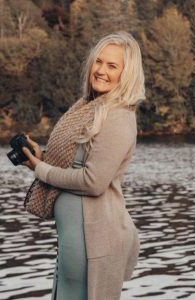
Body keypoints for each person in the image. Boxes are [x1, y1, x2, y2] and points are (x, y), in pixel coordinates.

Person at [21, 31, 145, 300]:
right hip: (75, 235)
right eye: (98, 62)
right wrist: (40, 159)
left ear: (127, 74)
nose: (101, 70)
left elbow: (93, 181)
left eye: (112, 66)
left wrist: (41, 170)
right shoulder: (86, 108)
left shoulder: (119, 116)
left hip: (94, 239)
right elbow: (74, 164)